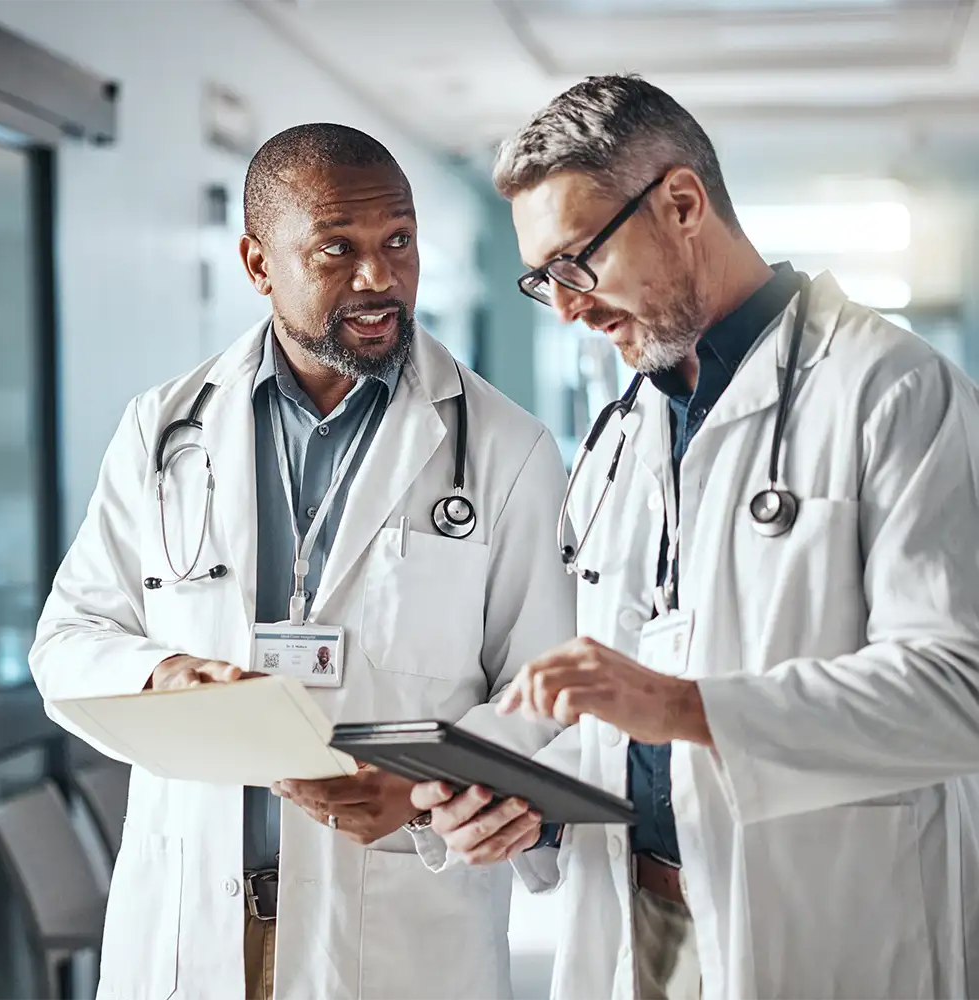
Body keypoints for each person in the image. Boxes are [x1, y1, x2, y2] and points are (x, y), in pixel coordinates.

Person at [412, 74, 979, 1000]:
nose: (565, 308)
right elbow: (610, 716)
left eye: (576, 262)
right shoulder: (616, 440)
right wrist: (524, 807)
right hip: (644, 929)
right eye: (541, 279)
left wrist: (686, 709)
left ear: (680, 202)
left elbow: (962, 691)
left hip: (831, 922)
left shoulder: (893, 391)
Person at [29, 123, 575, 1000]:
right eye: (338, 249)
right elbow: (67, 641)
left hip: (398, 928)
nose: (379, 278)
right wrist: (161, 675)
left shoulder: (507, 450)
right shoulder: (162, 429)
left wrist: (426, 789)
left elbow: (545, 698)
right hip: (189, 924)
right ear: (257, 263)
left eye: (398, 241)